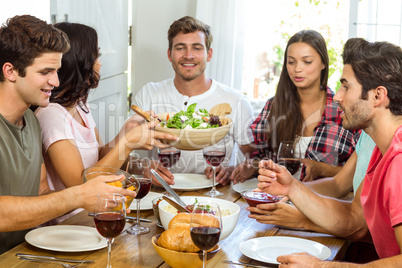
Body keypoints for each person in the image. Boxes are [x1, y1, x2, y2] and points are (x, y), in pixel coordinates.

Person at [257, 38, 402, 266]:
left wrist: (322, 266)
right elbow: (353, 217)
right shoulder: (380, 151)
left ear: (377, 96)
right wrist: (293, 188)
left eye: (346, 86)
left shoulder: (399, 162)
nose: (338, 96)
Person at [0, 15, 137, 254]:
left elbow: (42, 193)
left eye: (57, 70)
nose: (55, 80)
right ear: (10, 71)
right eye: (46, 71)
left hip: (23, 252)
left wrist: (98, 197)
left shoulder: (31, 120)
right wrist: (78, 195)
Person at [33, 22, 178, 224]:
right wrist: (127, 144)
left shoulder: (80, 105)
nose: (100, 63)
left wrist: (125, 132)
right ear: (79, 61)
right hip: (71, 226)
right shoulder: (51, 115)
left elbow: (99, 155)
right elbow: (82, 183)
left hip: (96, 216)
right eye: (97, 56)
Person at [131, 16, 255, 185]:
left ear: (209, 54)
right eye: (180, 48)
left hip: (216, 196)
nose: (188, 56)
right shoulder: (149, 93)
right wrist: (141, 166)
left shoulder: (236, 101)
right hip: (162, 193)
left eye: (196, 48)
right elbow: (121, 151)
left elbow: (255, 160)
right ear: (169, 54)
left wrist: (232, 170)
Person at [231, 30, 360, 183]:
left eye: (307, 61)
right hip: (275, 199)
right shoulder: (274, 105)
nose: (297, 69)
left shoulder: (344, 110)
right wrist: (248, 166)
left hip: (323, 202)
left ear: (323, 63)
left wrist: (323, 169)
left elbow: (361, 172)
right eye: (291, 62)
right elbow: (257, 154)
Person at [248, 131, 375, 233]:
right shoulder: (367, 136)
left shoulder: (388, 142)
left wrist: (304, 219)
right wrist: (289, 188)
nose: (336, 98)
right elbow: (338, 184)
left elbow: (361, 226)